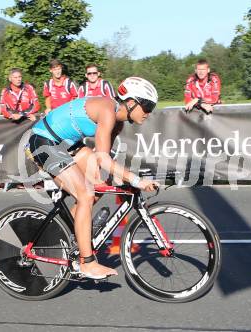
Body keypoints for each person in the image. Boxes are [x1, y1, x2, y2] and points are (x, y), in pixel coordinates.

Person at [28, 77, 159, 279]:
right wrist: (135, 180)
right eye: (147, 106)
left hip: (67, 145)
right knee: (86, 195)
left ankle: (73, 232)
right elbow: (104, 159)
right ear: (131, 102)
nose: (149, 113)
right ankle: (87, 263)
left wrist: (125, 181)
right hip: (44, 141)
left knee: (100, 183)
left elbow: (101, 157)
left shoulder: (118, 123)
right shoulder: (108, 109)